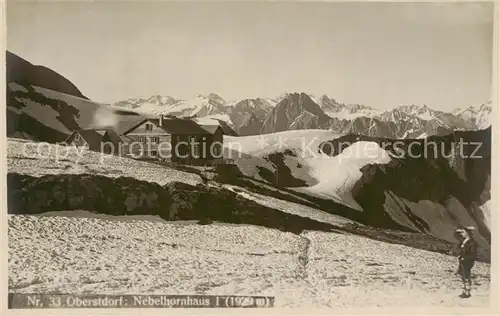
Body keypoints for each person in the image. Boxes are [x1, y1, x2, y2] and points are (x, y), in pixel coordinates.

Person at [454, 227, 477, 298]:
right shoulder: (464, 241)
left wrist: (464, 258)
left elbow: (473, 254)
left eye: (463, 232)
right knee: (462, 276)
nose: (462, 234)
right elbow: (461, 250)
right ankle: (463, 292)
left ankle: (467, 293)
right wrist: (459, 255)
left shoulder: (472, 242)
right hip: (462, 261)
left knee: (466, 276)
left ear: (467, 233)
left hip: (468, 262)